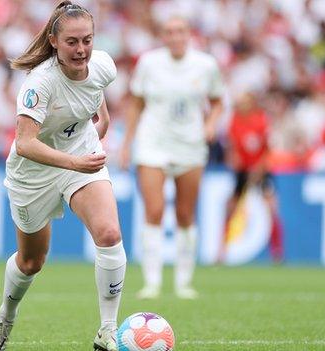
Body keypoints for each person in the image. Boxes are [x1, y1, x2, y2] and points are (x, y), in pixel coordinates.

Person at [0, 2, 125, 351]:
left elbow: (94, 87)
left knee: (108, 233)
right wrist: (72, 164)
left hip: (81, 154)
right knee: (32, 261)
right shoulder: (39, 84)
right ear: (54, 41)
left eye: (87, 41)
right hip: (34, 172)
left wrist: (100, 116)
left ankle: (108, 331)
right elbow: (25, 143)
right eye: (72, 42)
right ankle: (5, 316)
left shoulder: (104, 64)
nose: (81, 50)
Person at [120, 16, 224, 300]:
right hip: (153, 143)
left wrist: (211, 124)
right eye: (169, 32)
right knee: (153, 210)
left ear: (188, 34)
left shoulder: (205, 65)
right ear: (163, 36)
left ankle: (183, 281)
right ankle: (151, 282)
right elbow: (136, 105)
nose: (175, 37)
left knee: (185, 214)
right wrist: (126, 144)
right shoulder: (149, 63)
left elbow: (217, 102)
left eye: (179, 31)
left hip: (190, 145)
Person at [223, 92, 284, 263]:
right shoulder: (234, 121)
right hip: (243, 171)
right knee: (231, 208)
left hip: (261, 171)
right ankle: (221, 251)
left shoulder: (261, 120)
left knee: (271, 208)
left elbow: (267, 150)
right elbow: (233, 149)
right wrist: (239, 165)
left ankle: (277, 252)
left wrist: (258, 169)